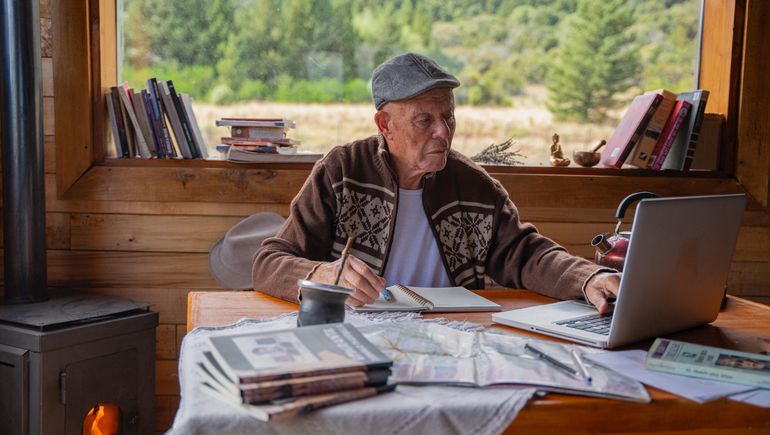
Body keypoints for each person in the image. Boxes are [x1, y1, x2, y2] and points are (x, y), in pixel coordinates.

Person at [253, 52, 620, 312]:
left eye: (448, 116)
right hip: (353, 329)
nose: (443, 132)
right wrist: (321, 273)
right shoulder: (343, 172)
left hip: (451, 335)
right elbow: (268, 262)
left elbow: (526, 254)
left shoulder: (474, 186)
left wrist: (588, 278)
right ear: (385, 125)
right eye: (423, 120)